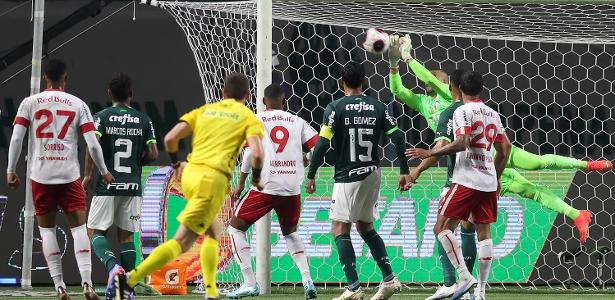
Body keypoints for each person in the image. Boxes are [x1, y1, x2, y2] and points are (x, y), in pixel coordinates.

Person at [388, 35, 595, 244]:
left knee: (538, 163)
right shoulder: (423, 103)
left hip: (489, 151)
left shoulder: (450, 97)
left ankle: (587, 165)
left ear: (451, 86)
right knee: (528, 192)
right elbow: (397, 90)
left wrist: (409, 58)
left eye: (441, 78)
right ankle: (576, 214)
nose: (433, 78)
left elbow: (430, 79)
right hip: (477, 161)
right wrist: (394, 66)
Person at [114, 73, 265, 300]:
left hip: (190, 174)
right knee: (183, 241)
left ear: (223, 92)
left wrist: (176, 162)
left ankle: (211, 291)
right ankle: (130, 280)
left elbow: (170, 140)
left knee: (214, 231)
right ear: (248, 95)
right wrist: (255, 177)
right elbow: (257, 153)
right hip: (211, 180)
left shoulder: (204, 111)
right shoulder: (248, 117)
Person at [6, 59, 114, 300]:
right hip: (69, 175)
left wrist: (10, 170)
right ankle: (87, 284)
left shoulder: (29, 103)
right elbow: (92, 144)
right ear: (65, 78)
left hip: (41, 176)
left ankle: (60, 287)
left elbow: (16, 139)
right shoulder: (78, 104)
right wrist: (104, 170)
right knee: (78, 229)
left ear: (45, 78)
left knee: (47, 232)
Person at [307, 61, 411, 300]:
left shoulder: (335, 107)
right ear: (364, 82)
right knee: (365, 226)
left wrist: (311, 174)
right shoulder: (379, 106)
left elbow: (322, 143)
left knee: (340, 227)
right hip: (373, 172)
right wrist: (403, 170)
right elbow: (397, 138)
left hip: (348, 175)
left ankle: (353, 288)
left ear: (341, 83)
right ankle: (390, 279)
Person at [407, 70, 512, 300]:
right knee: (484, 235)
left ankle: (463, 277)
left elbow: (462, 142)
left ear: (457, 88)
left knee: (441, 228)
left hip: (465, 179)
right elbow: (505, 150)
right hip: (487, 181)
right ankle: (481, 292)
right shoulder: (493, 114)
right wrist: (495, 176)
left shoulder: (461, 111)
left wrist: (430, 151)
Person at [226, 84, 318, 299]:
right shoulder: (297, 121)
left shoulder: (255, 120)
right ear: (284, 101)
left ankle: (249, 282)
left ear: (263, 101)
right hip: (291, 188)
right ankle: (307, 280)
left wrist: (240, 183)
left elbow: (249, 155)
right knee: (290, 232)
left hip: (265, 186)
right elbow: (318, 145)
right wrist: (308, 163)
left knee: (235, 228)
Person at [81, 73, 159, 298]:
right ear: (131, 95)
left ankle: (113, 266)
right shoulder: (144, 119)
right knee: (126, 237)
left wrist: (88, 175)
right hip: (132, 186)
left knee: (95, 231)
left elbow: (91, 145)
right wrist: (136, 165)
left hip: (107, 184)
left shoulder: (101, 117)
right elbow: (153, 153)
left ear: (109, 94)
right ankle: (126, 286)